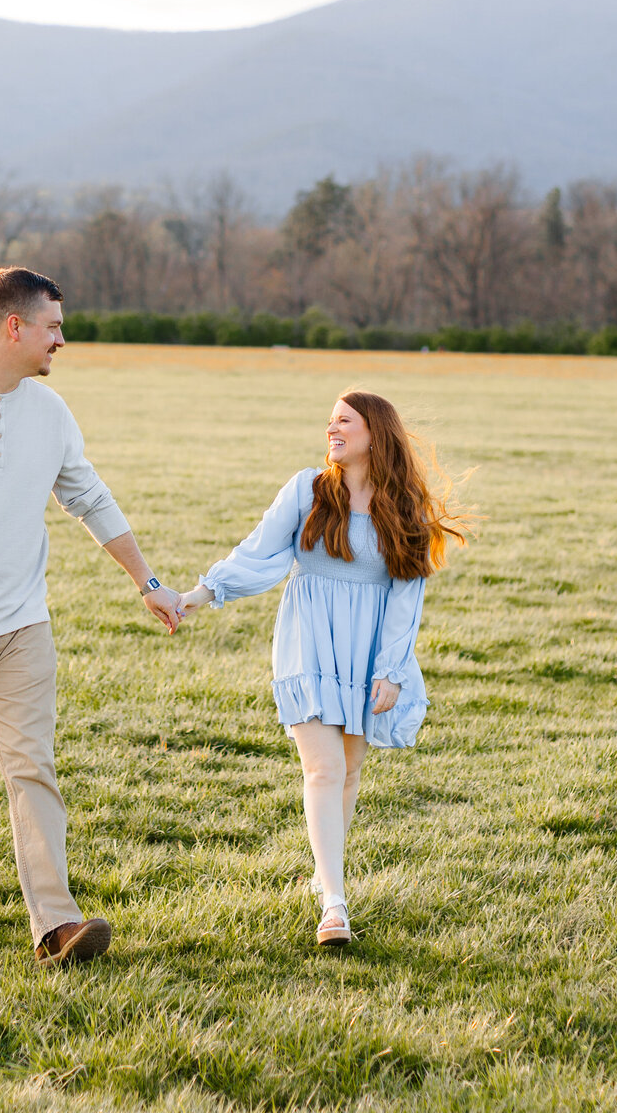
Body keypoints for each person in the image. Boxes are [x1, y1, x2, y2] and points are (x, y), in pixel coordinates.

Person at [0, 266, 185, 966]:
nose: (62, 340)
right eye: (53, 327)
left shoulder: (51, 413)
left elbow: (91, 500)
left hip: (22, 628)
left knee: (33, 771)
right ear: (13, 327)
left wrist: (150, 582)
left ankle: (55, 925)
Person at [179, 388, 465, 947]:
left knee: (349, 772)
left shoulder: (405, 507)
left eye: (344, 421)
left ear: (375, 434)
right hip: (308, 642)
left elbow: (408, 599)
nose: (331, 429)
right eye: (330, 421)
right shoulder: (308, 489)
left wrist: (392, 670)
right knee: (325, 770)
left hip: (367, 652)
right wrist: (202, 593)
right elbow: (259, 551)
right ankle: (334, 905)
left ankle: (323, 869)